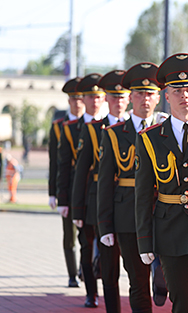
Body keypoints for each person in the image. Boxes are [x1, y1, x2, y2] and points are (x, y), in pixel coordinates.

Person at [134, 53, 188, 313]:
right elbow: (143, 194)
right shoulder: (150, 139)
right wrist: (145, 241)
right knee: (181, 298)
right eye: (176, 90)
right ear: (166, 96)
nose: (184, 95)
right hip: (169, 228)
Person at [98, 62, 167, 313]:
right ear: (131, 97)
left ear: (158, 98)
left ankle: (162, 279)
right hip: (127, 216)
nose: (145, 99)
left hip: (163, 213)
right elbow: (105, 183)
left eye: (150, 94)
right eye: (139, 93)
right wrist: (105, 225)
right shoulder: (115, 134)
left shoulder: (165, 132)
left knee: (168, 272)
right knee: (137, 281)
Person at [72, 70, 129, 312]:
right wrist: (76, 207)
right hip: (100, 201)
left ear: (128, 99)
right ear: (107, 99)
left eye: (122, 97)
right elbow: (80, 171)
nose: (117, 102)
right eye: (113, 97)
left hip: (130, 202)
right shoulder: (95, 129)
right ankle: (103, 301)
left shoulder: (140, 128)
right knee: (106, 262)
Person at [57, 73, 106, 308]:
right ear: (83, 99)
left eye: (98, 96)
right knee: (86, 245)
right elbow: (64, 167)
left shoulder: (113, 125)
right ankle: (90, 292)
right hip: (83, 195)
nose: (94, 101)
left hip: (107, 195)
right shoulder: (69, 128)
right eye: (90, 96)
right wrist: (63, 199)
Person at [48, 76, 85, 288]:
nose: (78, 103)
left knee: (87, 233)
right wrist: (53, 193)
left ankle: (84, 268)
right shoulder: (58, 126)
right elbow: (55, 161)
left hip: (87, 186)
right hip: (67, 186)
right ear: (69, 101)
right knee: (68, 234)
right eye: (74, 99)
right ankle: (72, 274)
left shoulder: (93, 124)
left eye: (81, 98)